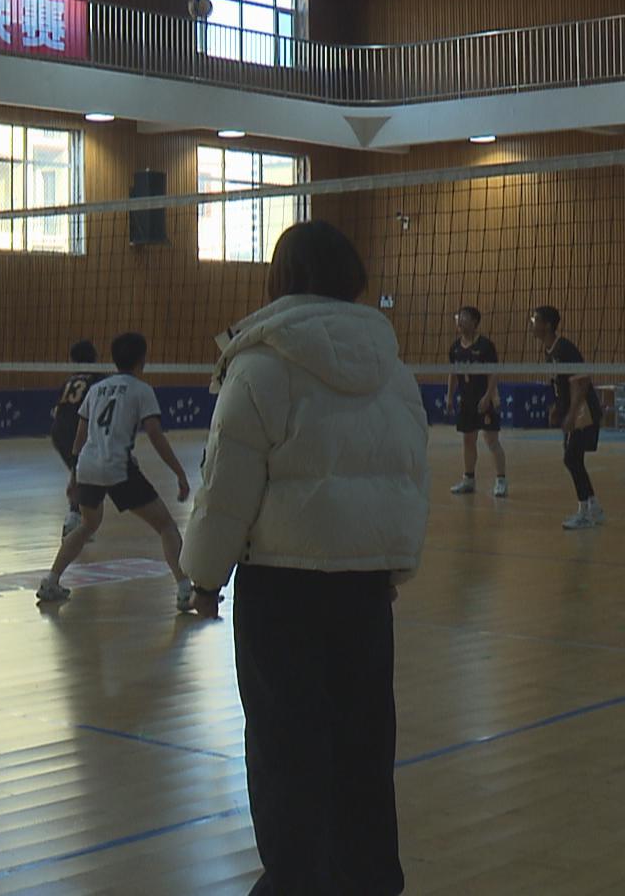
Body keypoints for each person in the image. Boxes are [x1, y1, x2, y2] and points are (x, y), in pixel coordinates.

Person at [180, 220, 426, 896]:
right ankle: (370, 880)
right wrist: (392, 565)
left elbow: (226, 484)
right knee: (365, 742)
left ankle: (296, 882)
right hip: (364, 589)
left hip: (282, 587)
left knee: (285, 745)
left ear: (280, 278)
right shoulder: (394, 371)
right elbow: (410, 475)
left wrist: (203, 577)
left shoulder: (260, 364)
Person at [36, 332, 193, 610]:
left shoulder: (97, 389)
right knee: (166, 526)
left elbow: (80, 436)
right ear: (142, 360)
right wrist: (179, 473)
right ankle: (184, 590)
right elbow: (155, 435)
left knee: (87, 525)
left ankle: (51, 581)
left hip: (88, 466)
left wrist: (74, 475)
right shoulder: (142, 390)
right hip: (118, 467)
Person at [532, 306, 605, 530]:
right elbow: (559, 384)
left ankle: (585, 512)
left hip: (583, 410)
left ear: (547, 325)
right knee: (574, 460)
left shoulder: (564, 348)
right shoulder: (549, 350)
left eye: (535, 320)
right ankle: (593, 507)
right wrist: (557, 407)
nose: (532, 324)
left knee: (571, 459)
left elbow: (581, 382)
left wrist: (572, 413)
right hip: (572, 409)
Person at [447, 306, 508, 498]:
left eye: (464, 317)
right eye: (458, 317)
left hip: (485, 399)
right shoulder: (455, 347)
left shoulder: (485, 345)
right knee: (468, 440)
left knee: (492, 440)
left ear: (474, 322)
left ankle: (501, 480)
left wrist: (488, 396)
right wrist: (449, 396)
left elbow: (493, 373)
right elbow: (453, 373)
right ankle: (468, 479)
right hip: (466, 401)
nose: (460, 321)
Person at [51, 339, 104, 536]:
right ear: (95, 357)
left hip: (58, 433)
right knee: (86, 478)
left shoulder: (69, 381)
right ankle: (75, 521)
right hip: (79, 431)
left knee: (81, 474)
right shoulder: (99, 380)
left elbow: (58, 410)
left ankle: (77, 519)